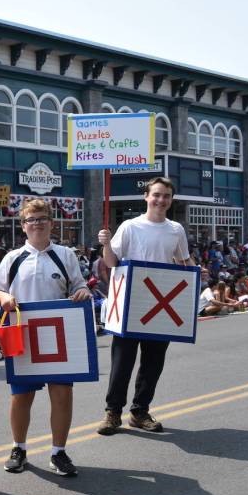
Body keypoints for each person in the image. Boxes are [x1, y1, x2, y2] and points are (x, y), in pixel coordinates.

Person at [0, 199, 91, 477]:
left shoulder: (65, 254)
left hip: (59, 335)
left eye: (42, 218)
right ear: (23, 225)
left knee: (62, 395)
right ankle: (18, 448)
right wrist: (5, 297)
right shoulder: (13, 258)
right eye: (31, 219)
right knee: (21, 397)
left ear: (51, 222)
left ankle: (58, 452)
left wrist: (83, 292)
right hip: (24, 334)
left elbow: (80, 286)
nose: (37, 223)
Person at [96, 177, 193, 436]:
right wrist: (106, 244)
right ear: (147, 197)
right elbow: (112, 262)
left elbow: (184, 262)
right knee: (122, 361)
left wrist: (194, 282)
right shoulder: (130, 226)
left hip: (162, 305)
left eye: (166, 196)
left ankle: (140, 412)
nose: (161, 200)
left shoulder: (176, 230)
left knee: (153, 362)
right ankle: (113, 411)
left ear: (171, 200)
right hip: (131, 302)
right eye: (157, 195)